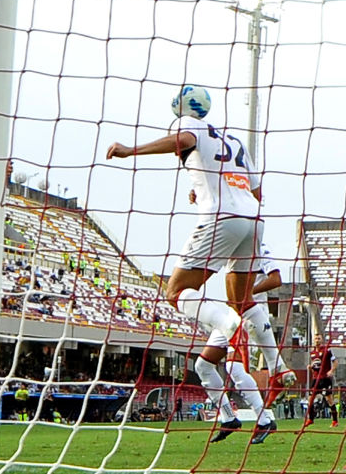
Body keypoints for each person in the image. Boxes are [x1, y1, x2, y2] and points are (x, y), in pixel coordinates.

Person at [105, 86, 272, 433]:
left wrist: (130, 151)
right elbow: (256, 191)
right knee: (234, 311)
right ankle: (236, 411)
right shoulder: (234, 140)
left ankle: (227, 323)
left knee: (176, 291)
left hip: (221, 216)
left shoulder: (189, 126)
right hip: (253, 219)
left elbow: (180, 139)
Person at [202, 245, 291, 445]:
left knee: (233, 366)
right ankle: (229, 418)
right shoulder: (232, 247)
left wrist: (247, 292)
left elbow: (276, 279)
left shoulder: (260, 248)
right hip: (230, 316)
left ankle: (264, 420)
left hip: (250, 316)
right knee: (203, 366)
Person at [304, 335, 339, 428]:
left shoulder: (327, 351)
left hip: (325, 379)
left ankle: (335, 421)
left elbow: (335, 362)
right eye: (316, 338)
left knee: (329, 399)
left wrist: (331, 371)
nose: (317, 340)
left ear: (322, 340)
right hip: (316, 379)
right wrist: (311, 367)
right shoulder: (312, 353)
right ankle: (311, 419)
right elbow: (315, 366)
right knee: (310, 399)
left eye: (319, 338)